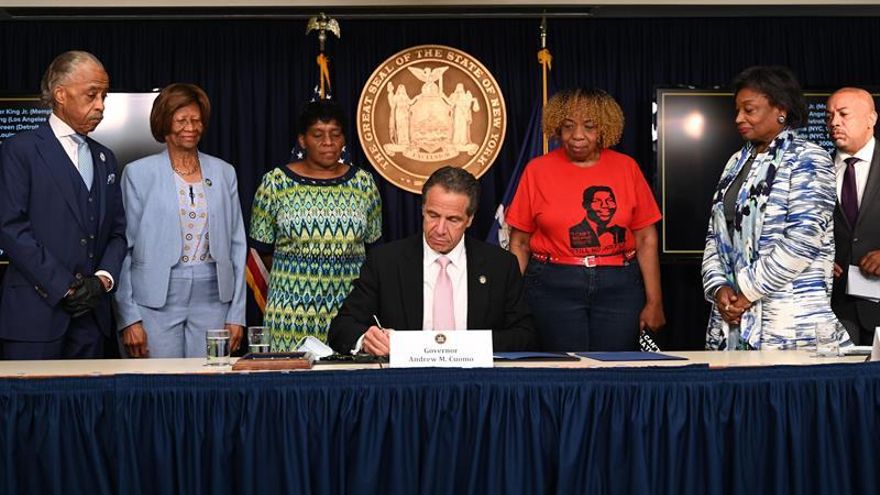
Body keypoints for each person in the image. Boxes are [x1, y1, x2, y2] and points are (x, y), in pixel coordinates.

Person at [506, 87, 664, 352]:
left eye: (589, 127)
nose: (577, 136)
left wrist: (655, 301)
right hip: (552, 285)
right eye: (568, 127)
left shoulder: (627, 168)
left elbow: (646, 238)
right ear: (557, 127)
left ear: (604, 128)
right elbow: (519, 243)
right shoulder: (537, 170)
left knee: (617, 371)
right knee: (564, 372)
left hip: (619, 285)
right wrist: (510, 303)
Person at [702, 66, 847, 350]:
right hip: (732, 322)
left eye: (749, 110)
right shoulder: (735, 162)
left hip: (789, 327)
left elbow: (802, 242)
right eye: (737, 110)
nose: (738, 118)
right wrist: (719, 288)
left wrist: (745, 292)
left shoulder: (809, 159)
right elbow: (715, 236)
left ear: (780, 109)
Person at [328, 166, 535, 356]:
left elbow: (525, 335)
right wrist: (366, 340)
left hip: (476, 382)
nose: (440, 229)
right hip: (406, 384)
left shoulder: (500, 265)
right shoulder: (385, 262)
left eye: (453, 219)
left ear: (470, 219)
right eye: (433, 215)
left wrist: (467, 345)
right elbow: (342, 327)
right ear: (422, 209)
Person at [0, 51, 126, 359]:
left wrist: (102, 280)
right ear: (60, 94)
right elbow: (10, 228)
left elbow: (118, 232)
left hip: (93, 320)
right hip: (35, 319)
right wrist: (65, 287)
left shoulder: (105, 158)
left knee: (90, 407)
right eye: (92, 95)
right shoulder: (19, 151)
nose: (100, 106)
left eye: (104, 96)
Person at [113, 83, 245, 358]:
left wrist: (237, 315)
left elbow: (237, 246)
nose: (191, 127)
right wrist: (129, 317)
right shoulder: (138, 174)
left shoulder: (224, 173)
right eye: (182, 120)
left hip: (214, 297)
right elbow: (122, 250)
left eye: (196, 120)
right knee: (157, 386)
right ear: (164, 123)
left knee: (209, 386)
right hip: (154, 300)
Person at [250, 100, 382, 351]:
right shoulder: (275, 184)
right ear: (302, 140)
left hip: (350, 315)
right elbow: (262, 250)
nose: (328, 142)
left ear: (344, 138)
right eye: (318, 135)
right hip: (290, 315)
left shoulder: (364, 184)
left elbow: (374, 250)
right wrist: (302, 274)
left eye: (335, 134)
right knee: (291, 388)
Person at [826, 87, 880, 345]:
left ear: (871, 119)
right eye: (829, 116)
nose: (834, 122)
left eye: (843, 114)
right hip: (832, 313)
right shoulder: (816, 171)